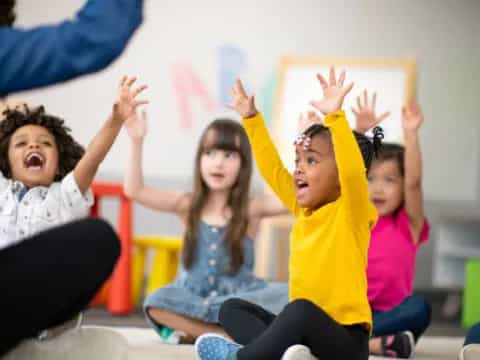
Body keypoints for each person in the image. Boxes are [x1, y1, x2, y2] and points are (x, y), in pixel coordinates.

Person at [195, 67, 381, 360]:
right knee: (231, 309)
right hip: (306, 337)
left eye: (311, 160)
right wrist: (251, 120)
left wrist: (335, 117)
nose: (299, 168)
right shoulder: (301, 208)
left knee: (300, 311)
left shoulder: (352, 211)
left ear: (339, 176)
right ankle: (284, 353)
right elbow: (273, 170)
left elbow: (354, 174)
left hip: (346, 341)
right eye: (298, 160)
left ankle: (243, 358)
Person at [0, 75, 148, 355]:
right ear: (6, 162)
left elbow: (92, 157)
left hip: (49, 309)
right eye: (21, 144)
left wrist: (115, 120)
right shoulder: (2, 190)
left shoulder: (65, 194)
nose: (34, 146)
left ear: (58, 163)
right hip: (8, 296)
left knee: (99, 235)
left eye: (45, 143)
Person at [124, 109, 289, 343]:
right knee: (155, 301)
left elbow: (292, 199)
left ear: (244, 164)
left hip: (238, 300)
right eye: (210, 153)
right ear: (199, 160)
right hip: (191, 298)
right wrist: (136, 140)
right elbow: (135, 191)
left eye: (229, 155)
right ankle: (222, 335)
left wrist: (299, 148)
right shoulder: (188, 204)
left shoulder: (251, 208)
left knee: (294, 295)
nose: (218, 163)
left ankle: (195, 332)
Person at [353, 91, 431, 358]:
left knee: (419, 307)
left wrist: (411, 134)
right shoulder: (356, 218)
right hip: (354, 311)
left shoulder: (408, 224)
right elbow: (347, 174)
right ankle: (375, 344)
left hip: (393, 315)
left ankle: (345, 341)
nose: (378, 188)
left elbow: (414, 182)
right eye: (371, 178)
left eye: (389, 180)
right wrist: (359, 133)